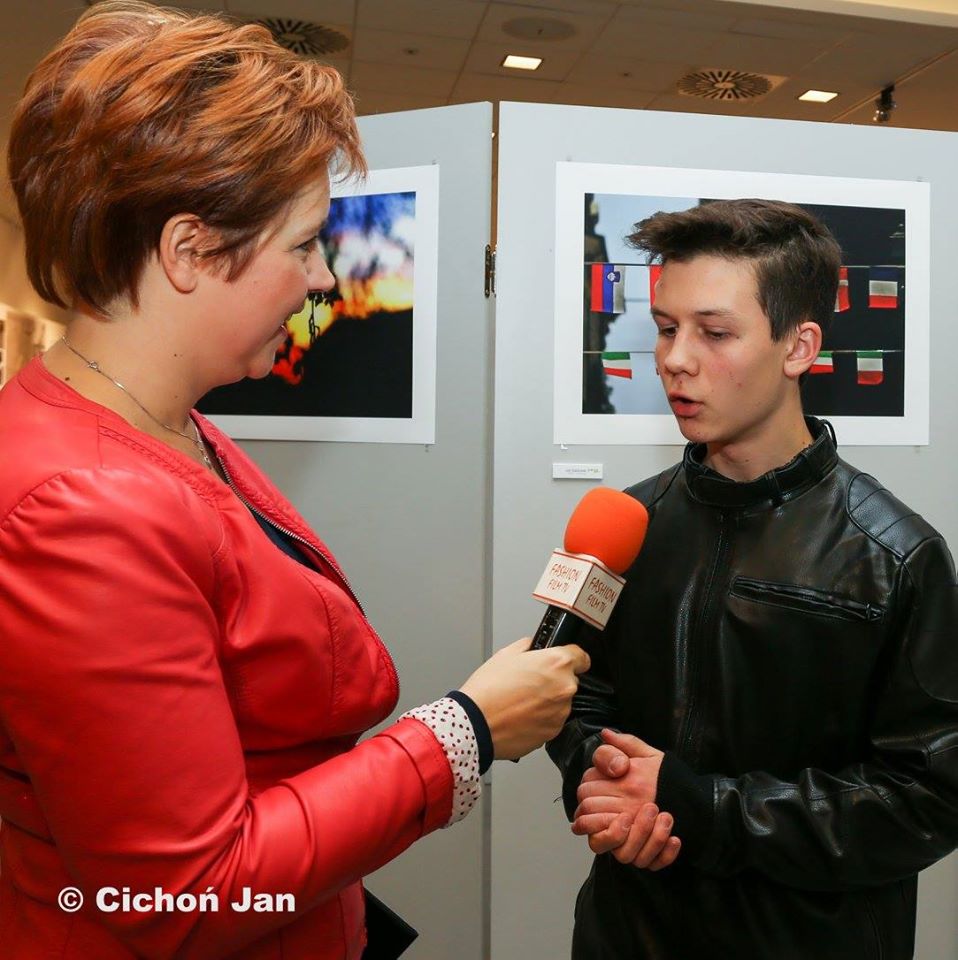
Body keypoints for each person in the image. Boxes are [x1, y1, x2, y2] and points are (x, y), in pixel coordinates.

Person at [0, 4, 593, 958]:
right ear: (189, 251)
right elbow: (185, 899)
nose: (322, 278)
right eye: (303, 244)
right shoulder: (82, 506)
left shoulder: (166, 426)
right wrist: (468, 731)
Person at [548, 198, 958, 959]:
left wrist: (704, 809)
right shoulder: (626, 524)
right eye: (665, 328)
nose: (675, 360)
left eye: (714, 333)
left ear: (799, 347)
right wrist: (603, 779)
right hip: (627, 933)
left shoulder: (894, 556)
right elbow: (571, 689)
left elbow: (928, 797)